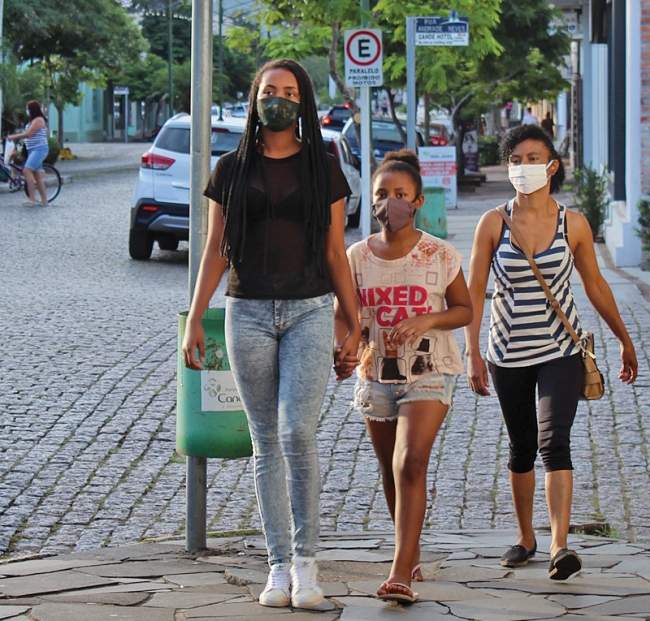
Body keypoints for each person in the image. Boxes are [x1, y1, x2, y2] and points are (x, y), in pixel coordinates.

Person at [181, 59, 361, 609]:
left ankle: (307, 564)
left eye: (287, 91)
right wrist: (194, 316)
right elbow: (214, 250)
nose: (277, 99)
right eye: (268, 91)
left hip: (309, 310)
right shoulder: (230, 168)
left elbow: (334, 251)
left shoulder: (323, 166)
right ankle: (277, 565)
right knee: (264, 442)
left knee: (295, 434)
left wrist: (354, 321)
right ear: (254, 97)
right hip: (247, 312)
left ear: (301, 100)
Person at [465, 125, 638, 580]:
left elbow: (595, 284)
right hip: (506, 352)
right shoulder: (492, 224)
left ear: (552, 165)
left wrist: (623, 337)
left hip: (560, 348)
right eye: (516, 159)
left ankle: (561, 545)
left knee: (552, 441)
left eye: (533, 158)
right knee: (521, 446)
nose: (524, 167)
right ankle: (526, 537)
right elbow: (474, 292)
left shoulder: (572, 223)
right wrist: (472, 352)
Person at [335, 149, 473, 603]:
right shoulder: (356, 256)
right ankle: (408, 548)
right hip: (377, 373)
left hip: (430, 371)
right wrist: (347, 344)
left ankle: (400, 572)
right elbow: (345, 314)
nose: (390, 202)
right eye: (381, 194)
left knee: (409, 460)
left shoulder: (439, 253)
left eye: (400, 194)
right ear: (371, 201)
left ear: (417, 202)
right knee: (389, 469)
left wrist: (427, 321)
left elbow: (464, 309)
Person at [8, 100, 49, 206]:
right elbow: (26, 138)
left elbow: (28, 134)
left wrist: (13, 136)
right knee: (37, 176)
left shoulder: (39, 120)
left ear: (33, 109)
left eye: (28, 108)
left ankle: (32, 200)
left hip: (39, 149)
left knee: (26, 170)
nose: (27, 111)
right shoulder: (32, 121)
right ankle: (44, 201)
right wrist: (17, 147)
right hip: (32, 150)